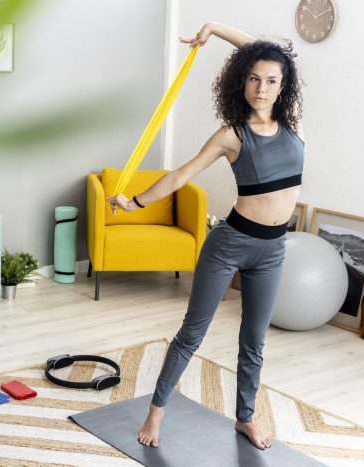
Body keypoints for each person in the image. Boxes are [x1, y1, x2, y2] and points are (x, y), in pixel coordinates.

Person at [106, 22, 304, 451]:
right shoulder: (232, 134)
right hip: (230, 242)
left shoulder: (295, 126)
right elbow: (180, 174)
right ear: (242, 80)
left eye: (271, 80)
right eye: (254, 78)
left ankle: (245, 418)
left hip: (273, 250)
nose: (262, 87)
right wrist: (135, 202)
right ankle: (156, 412)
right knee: (192, 334)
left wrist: (215, 28)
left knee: (254, 341)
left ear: (283, 85)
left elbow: (269, 53)